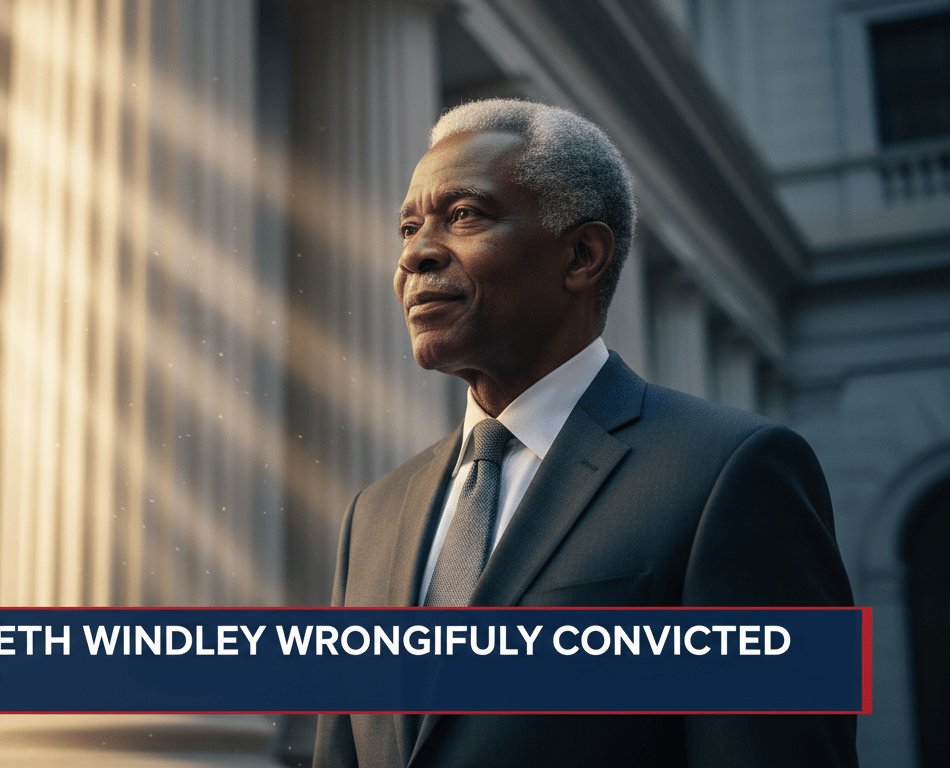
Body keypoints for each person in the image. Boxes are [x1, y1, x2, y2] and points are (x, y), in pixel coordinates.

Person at [312, 99, 857, 767]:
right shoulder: (373, 515)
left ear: (582, 255)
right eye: (407, 227)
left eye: (463, 216)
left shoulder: (731, 474)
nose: (416, 255)